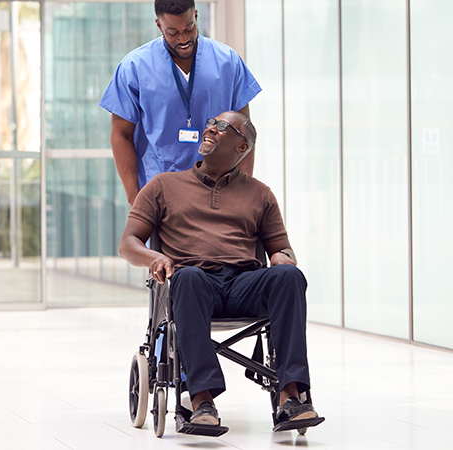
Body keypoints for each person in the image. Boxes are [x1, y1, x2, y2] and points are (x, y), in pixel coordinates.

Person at [118, 111, 324, 434]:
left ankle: (291, 398)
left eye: (222, 126)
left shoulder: (260, 194)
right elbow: (128, 243)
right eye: (211, 123)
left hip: (245, 284)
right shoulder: (164, 186)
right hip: (196, 286)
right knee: (187, 277)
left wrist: (285, 259)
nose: (210, 128)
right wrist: (154, 258)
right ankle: (200, 402)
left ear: (242, 147)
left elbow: (282, 250)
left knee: (290, 277)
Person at [100, 0, 261, 206]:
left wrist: (243, 192)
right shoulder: (134, 67)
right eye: (173, 33)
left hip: (219, 194)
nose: (183, 39)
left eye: (189, 29)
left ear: (195, 16)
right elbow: (121, 134)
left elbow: (245, 133)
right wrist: (135, 200)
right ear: (159, 25)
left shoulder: (228, 62)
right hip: (159, 197)